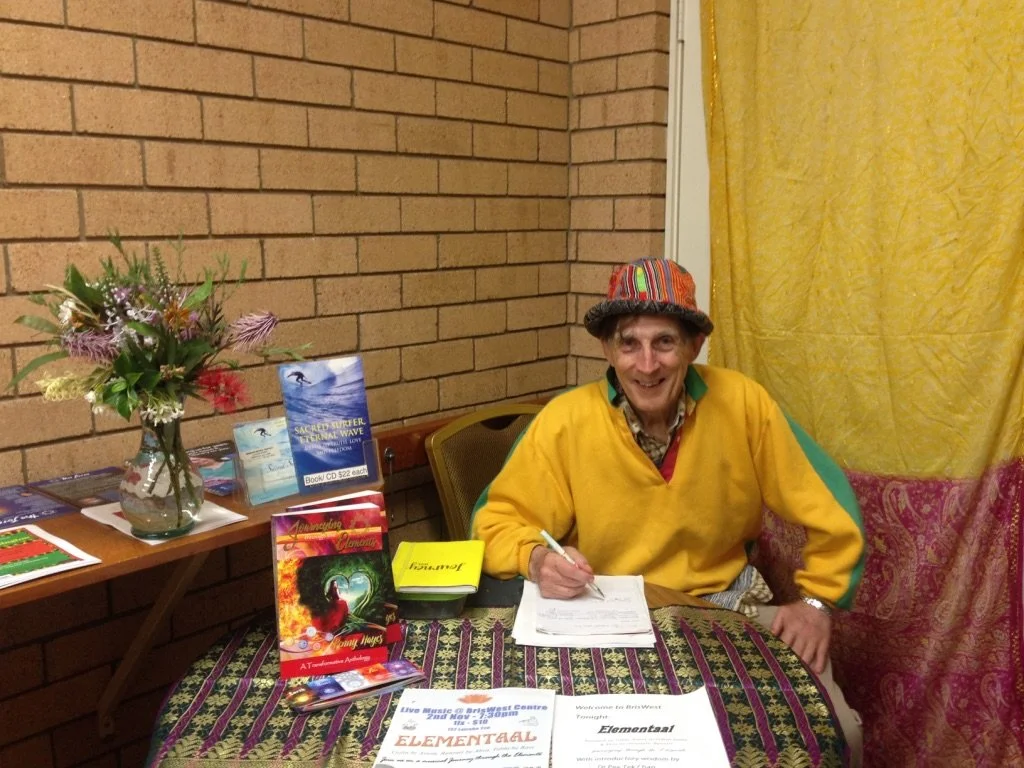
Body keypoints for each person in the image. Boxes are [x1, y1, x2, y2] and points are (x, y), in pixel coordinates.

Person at [472, 257, 865, 764]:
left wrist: (817, 604)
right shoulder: (564, 422)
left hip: (721, 608)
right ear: (607, 349)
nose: (646, 364)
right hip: (605, 619)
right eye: (628, 343)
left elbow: (833, 508)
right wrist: (536, 560)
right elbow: (494, 521)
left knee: (839, 737)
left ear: (694, 346)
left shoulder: (744, 404)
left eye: (664, 342)